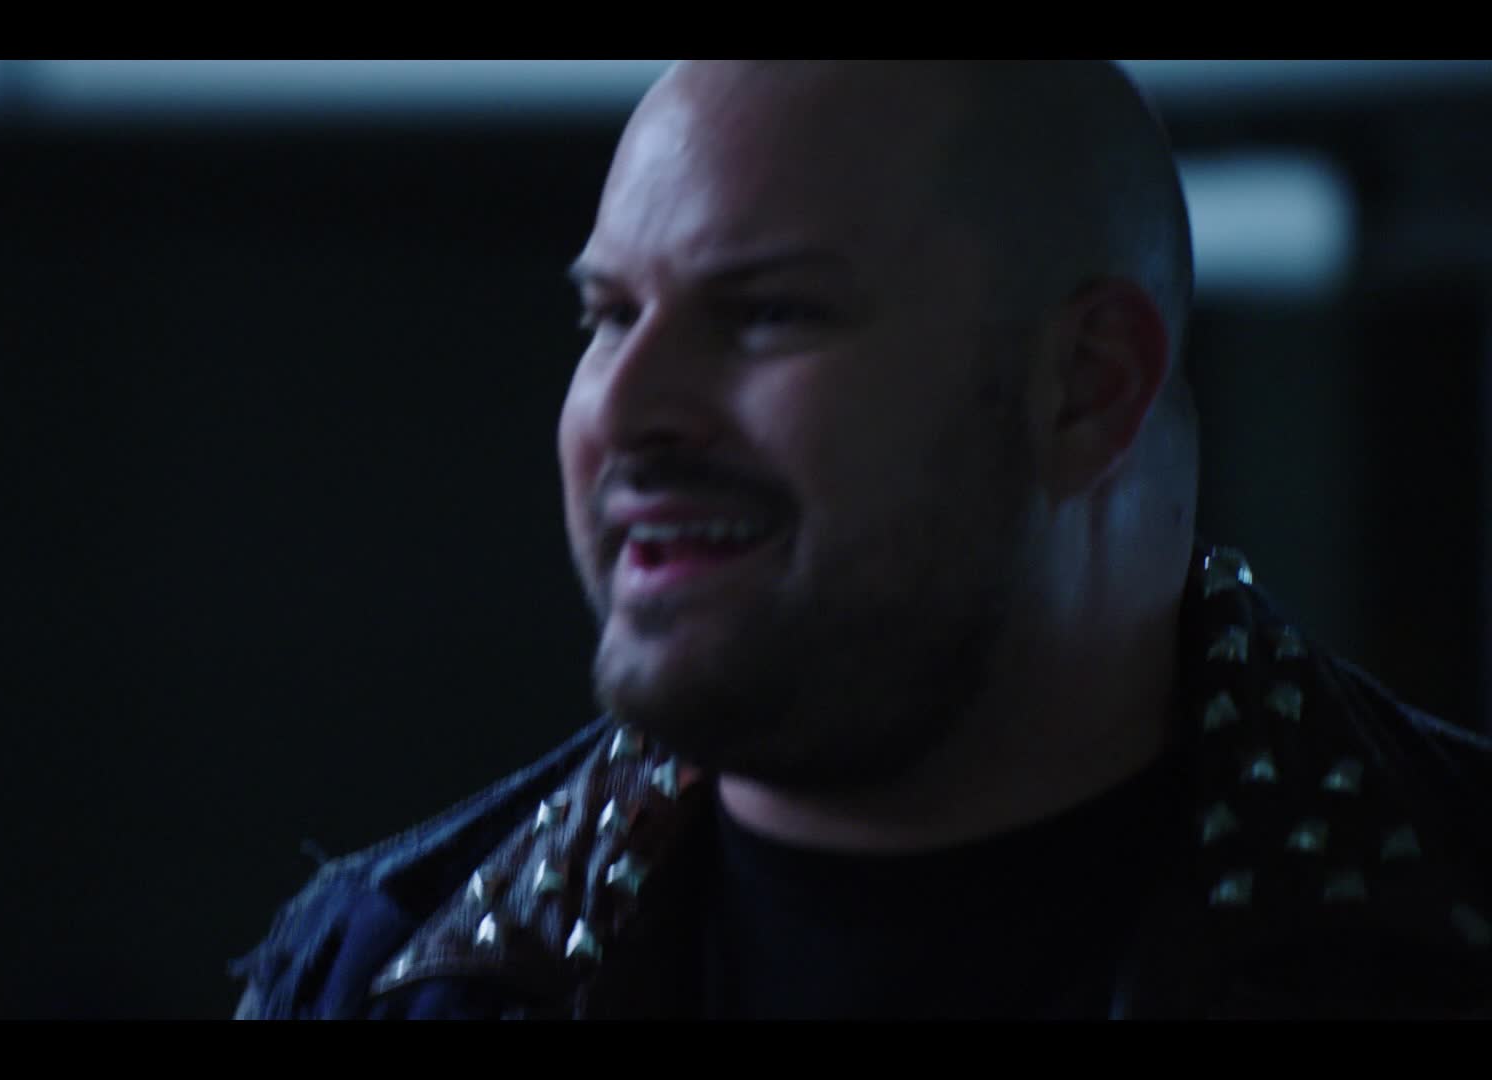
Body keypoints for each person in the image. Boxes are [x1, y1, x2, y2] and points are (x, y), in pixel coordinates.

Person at [228, 60, 1492, 1019]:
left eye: (769, 312)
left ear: (1087, 387)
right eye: (609, 317)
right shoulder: (391, 977)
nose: (628, 410)